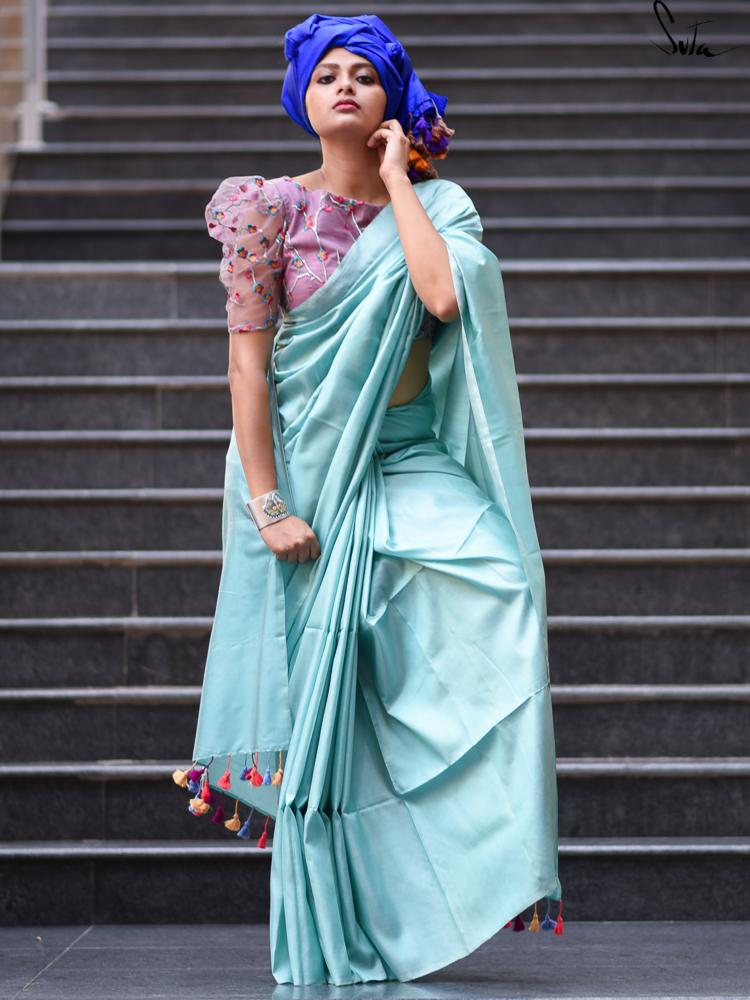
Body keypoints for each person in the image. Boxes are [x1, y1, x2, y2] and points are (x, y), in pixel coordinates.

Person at [172, 13, 565, 986]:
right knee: (326, 705)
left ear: (392, 99)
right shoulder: (265, 209)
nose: (343, 86)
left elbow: (442, 300)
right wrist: (268, 503)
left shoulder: (439, 207)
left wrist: (397, 181)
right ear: (302, 97)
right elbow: (248, 367)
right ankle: (340, 925)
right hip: (304, 470)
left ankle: (453, 870)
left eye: (364, 74)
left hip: (410, 453)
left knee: (504, 592)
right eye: (326, 75)